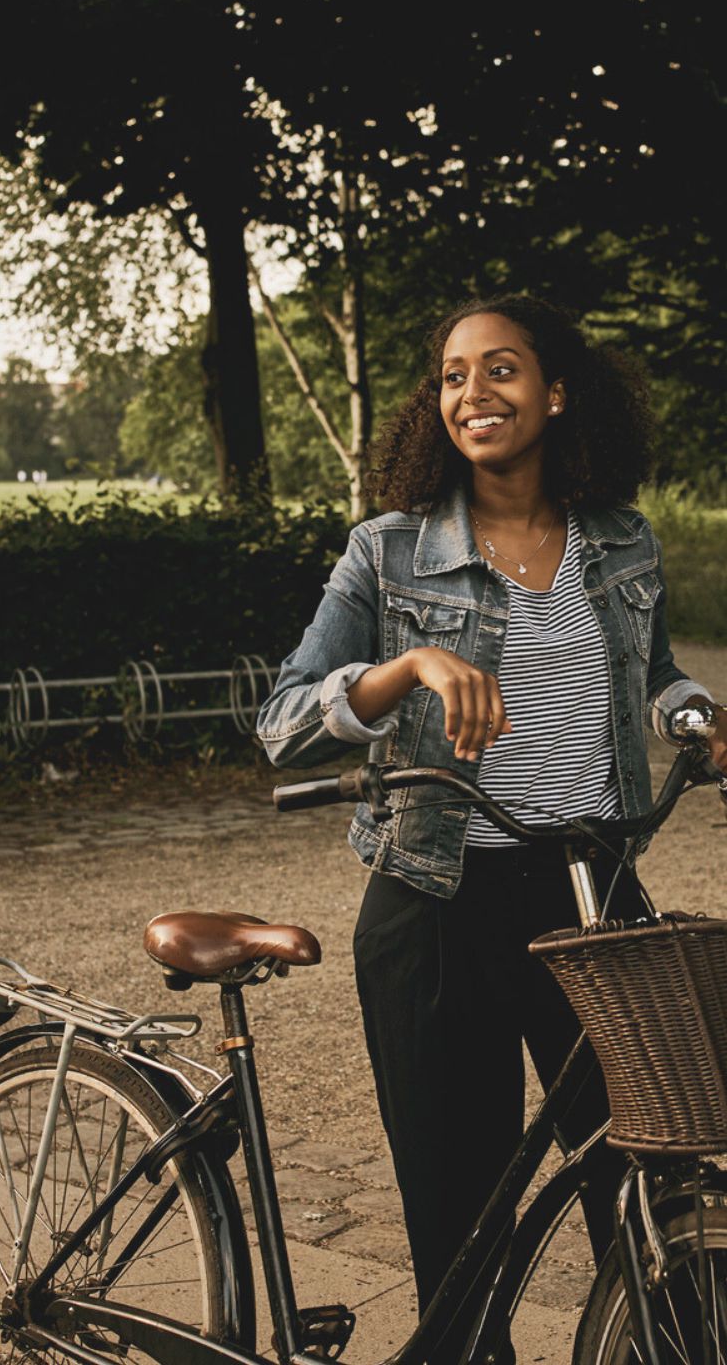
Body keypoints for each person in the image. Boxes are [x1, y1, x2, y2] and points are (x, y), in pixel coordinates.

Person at [256, 294, 727, 1351]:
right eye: (454, 375)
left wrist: (695, 716)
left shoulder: (619, 541)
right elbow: (283, 721)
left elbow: (647, 678)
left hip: (593, 897)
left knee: (650, 1181)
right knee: (463, 1223)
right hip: (436, 905)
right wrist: (406, 665)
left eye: (501, 369)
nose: (474, 391)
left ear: (554, 393)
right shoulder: (385, 552)